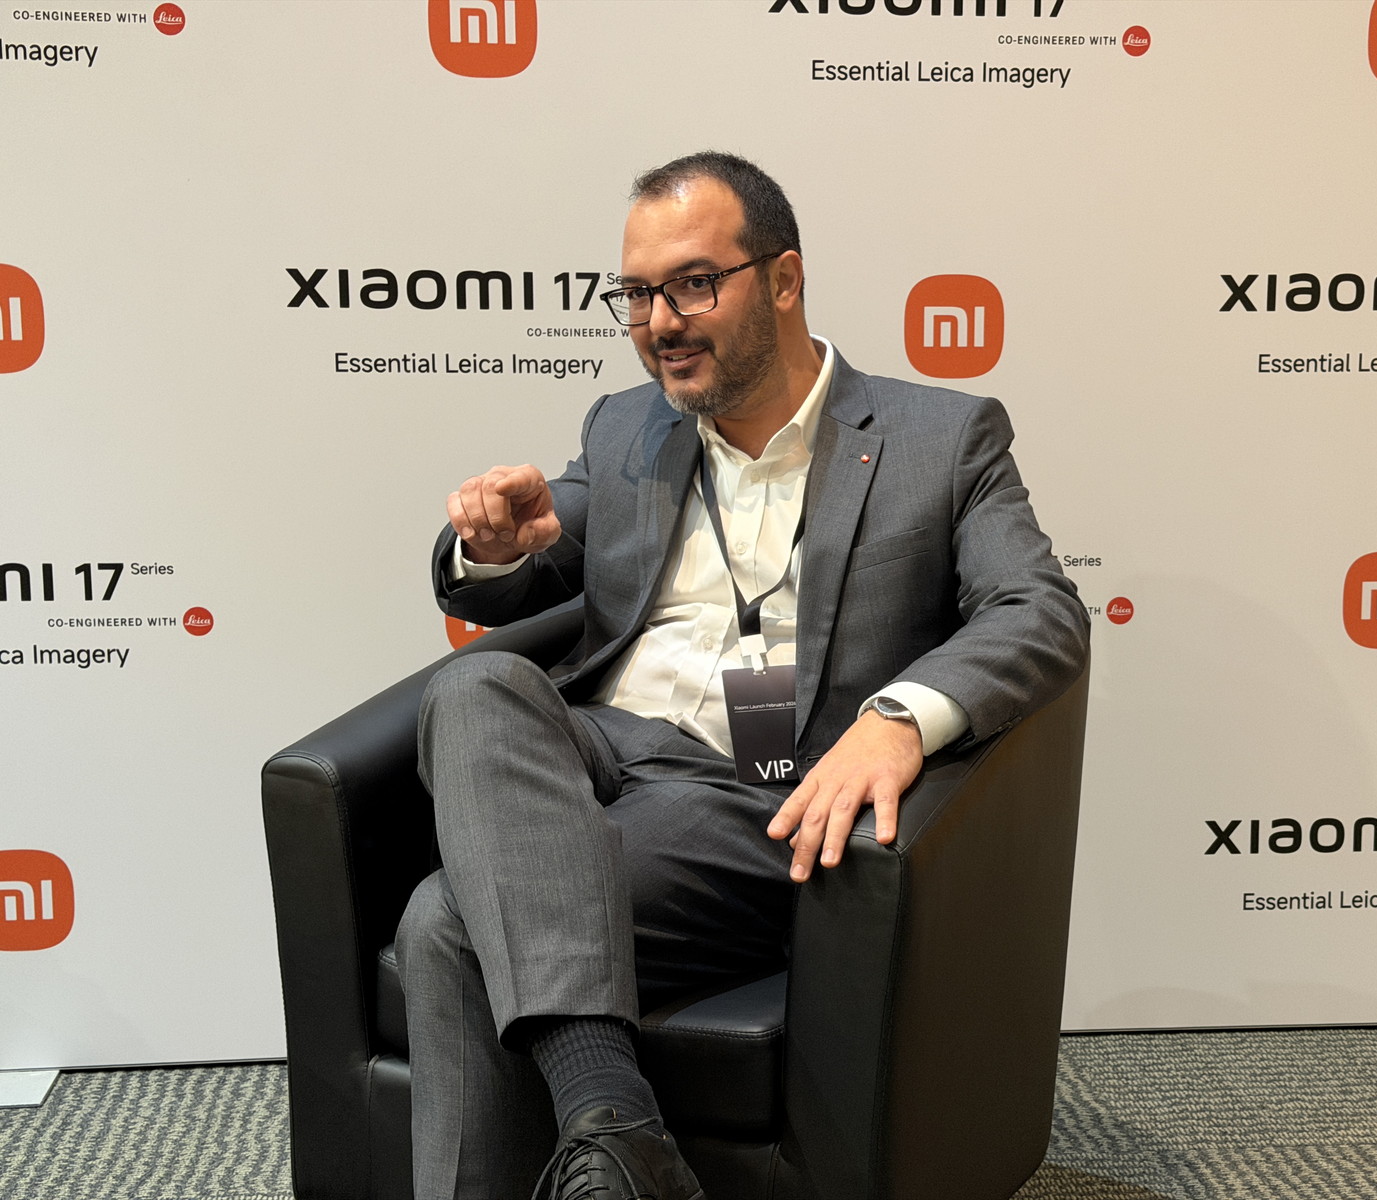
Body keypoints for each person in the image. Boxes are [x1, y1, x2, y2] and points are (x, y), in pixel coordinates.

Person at [396, 151, 1088, 1200]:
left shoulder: (941, 439)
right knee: (470, 688)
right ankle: (621, 1134)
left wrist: (898, 720)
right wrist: (494, 547)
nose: (659, 322)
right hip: (598, 750)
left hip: (751, 797)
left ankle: (611, 1126)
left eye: (692, 284)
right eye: (637, 295)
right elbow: (537, 558)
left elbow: (1039, 609)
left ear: (783, 279)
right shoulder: (625, 427)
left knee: (446, 924)